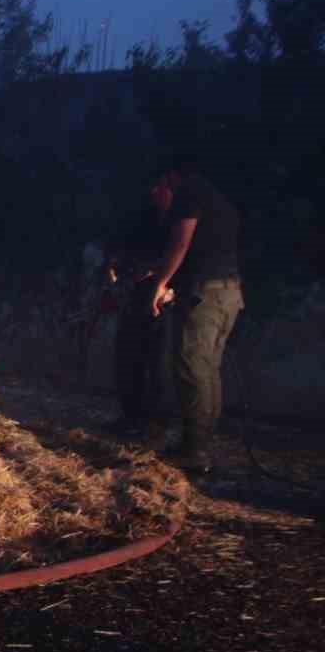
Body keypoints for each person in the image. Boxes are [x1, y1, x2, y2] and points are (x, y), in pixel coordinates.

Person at [145, 154, 243, 473]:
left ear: (171, 178)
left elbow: (180, 243)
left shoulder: (190, 195)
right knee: (206, 369)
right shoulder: (217, 198)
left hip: (205, 294)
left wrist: (161, 283)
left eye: (159, 185)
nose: (154, 192)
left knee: (191, 367)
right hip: (227, 292)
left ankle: (196, 451)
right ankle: (198, 443)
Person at [101, 202, 171, 438]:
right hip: (133, 293)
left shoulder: (172, 222)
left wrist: (158, 279)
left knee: (154, 360)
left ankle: (153, 422)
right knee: (128, 358)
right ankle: (132, 416)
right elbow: (115, 260)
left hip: (157, 296)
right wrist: (116, 278)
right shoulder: (140, 221)